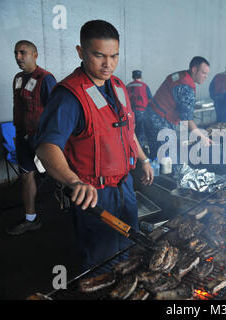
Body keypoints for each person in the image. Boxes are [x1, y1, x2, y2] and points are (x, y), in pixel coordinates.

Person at [34, 20, 154, 272]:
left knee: (130, 250)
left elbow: (126, 130)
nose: (108, 64)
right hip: (95, 196)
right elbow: (47, 147)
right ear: (81, 52)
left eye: (114, 56)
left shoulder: (119, 87)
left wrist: (142, 159)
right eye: (99, 55)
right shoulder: (69, 96)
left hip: (125, 188)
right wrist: (73, 181)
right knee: (102, 262)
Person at [7, 40, 57, 236]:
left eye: (23, 53)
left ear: (35, 55)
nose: (18, 57)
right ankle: (31, 219)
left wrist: (49, 141)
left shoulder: (46, 78)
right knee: (26, 175)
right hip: (22, 138)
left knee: (58, 176)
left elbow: (55, 113)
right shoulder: (18, 78)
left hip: (41, 140)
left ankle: (77, 214)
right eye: (16, 53)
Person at [145, 56, 212, 159]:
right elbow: (187, 120)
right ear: (194, 70)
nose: (205, 77)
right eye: (203, 73)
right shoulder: (186, 87)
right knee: (166, 161)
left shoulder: (179, 75)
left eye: (207, 74)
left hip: (150, 116)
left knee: (156, 157)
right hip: (160, 123)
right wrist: (202, 137)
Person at [126, 70, 153, 149]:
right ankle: (141, 152)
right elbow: (151, 101)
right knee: (141, 133)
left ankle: (132, 150)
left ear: (132, 77)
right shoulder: (144, 86)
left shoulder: (127, 86)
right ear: (141, 77)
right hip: (142, 112)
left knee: (132, 132)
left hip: (130, 113)